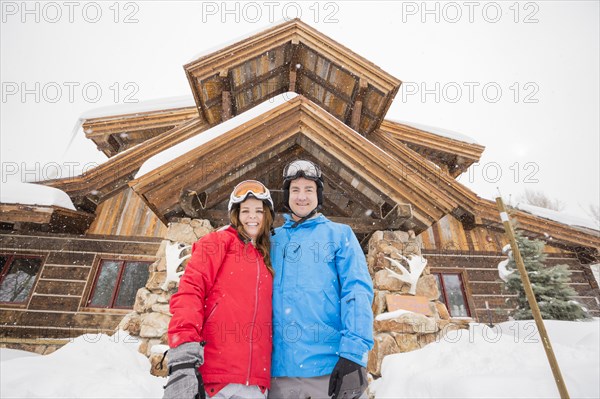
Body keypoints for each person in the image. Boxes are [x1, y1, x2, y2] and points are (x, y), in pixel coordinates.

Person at [269, 160, 374, 399]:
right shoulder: (272, 239)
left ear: (319, 195)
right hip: (278, 373)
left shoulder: (339, 235)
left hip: (330, 369)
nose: (302, 196)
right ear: (287, 196)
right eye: (295, 190)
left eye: (309, 189)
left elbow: (356, 292)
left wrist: (353, 355)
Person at [164, 180, 275, 399]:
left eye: (258, 211)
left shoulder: (265, 260)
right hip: (217, 380)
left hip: (255, 385)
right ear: (235, 214)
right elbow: (191, 291)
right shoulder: (218, 242)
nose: (252, 217)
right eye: (246, 211)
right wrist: (184, 354)